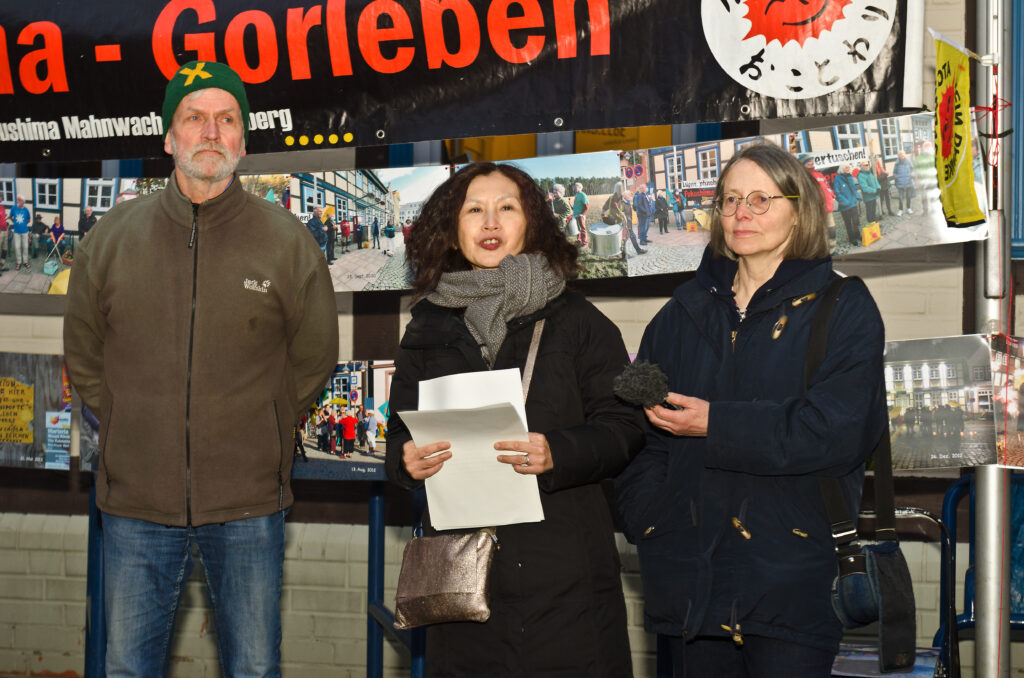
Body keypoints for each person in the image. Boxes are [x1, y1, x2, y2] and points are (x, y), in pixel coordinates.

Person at [63, 60, 339, 678]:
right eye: (194, 118)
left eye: (226, 119)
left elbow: (315, 356)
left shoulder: (287, 242)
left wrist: (258, 424)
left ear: (243, 139)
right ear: (169, 138)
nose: (211, 132)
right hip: (134, 501)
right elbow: (84, 354)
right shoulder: (109, 239)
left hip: (248, 504)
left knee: (253, 668)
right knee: (127, 668)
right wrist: (132, 421)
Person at [614, 143, 886, 678]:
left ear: (800, 208)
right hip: (686, 580)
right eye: (731, 199)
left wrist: (716, 423)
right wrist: (648, 520)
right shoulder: (679, 315)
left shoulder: (843, 307)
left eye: (762, 199)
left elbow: (838, 432)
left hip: (791, 584)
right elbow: (636, 433)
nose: (743, 213)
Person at [386, 161, 645, 677]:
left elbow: (626, 426)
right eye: (474, 210)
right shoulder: (424, 328)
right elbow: (399, 434)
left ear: (531, 224)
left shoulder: (578, 321)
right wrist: (405, 461)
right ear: (451, 227)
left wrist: (559, 452)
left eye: (507, 208)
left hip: (566, 582)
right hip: (465, 583)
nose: (490, 223)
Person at [799, 154, 837, 250]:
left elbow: (827, 186)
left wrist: (831, 194)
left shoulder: (819, 174)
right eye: (808, 161)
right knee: (819, 231)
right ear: (803, 164)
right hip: (815, 209)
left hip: (827, 207)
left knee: (831, 229)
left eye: (811, 160)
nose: (811, 162)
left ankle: (832, 249)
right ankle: (822, 250)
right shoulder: (802, 177)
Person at [602, 182, 645, 255]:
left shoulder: (627, 203)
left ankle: (637, 250)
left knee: (631, 237)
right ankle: (624, 254)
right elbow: (619, 213)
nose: (631, 197)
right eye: (629, 195)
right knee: (624, 239)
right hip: (623, 224)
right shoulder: (621, 202)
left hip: (628, 224)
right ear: (625, 196)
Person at [833, 163, 862, 247]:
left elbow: (854, 189)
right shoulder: (837, 179)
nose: (848, 168)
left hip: (853, 203)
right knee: (848, 223)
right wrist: (845, 202)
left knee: (856, 221)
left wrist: (857, 196)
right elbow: (837, 193)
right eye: (846, 167)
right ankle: (852, 239)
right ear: (842, 168)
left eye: (848, 167)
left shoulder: (850, 176)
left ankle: (857, 235)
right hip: (845, 206)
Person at [892, 150, 916, 216]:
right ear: (898, 156)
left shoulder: (908, 162)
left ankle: (908, 208)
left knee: (908, 196)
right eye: (900, 154)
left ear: (905, 155)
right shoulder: (896, 163)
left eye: (902, 154)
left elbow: (913, 170)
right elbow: (894, 173)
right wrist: (898, 178)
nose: (901, 156)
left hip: (908, 182)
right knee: (900, 197)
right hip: (900, 184)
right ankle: (900, 209)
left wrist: (911, 175)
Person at [10, 195, 30, 270]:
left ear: (22, 202)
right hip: (16, 232)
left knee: (25, 247)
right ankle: (19, 262)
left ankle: (25, 261)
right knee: (17, 247)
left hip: (25, 231)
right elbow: (11, 216)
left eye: (18, 200)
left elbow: (28, 220)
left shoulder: (26, 210)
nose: (17, 201)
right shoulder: (13, 208)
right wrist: (15, 223)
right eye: (17, 200)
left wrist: (23, 224)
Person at [571, 181, 589, 247]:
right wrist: (572, 206)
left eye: (576, 187)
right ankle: (579, 241)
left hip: (580, 215)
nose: (574, 188)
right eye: (574, 187)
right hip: (575, 214)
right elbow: (576, 205)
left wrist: (582, 214)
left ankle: (585, 244)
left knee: (582, 229)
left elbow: (587, 206)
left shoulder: (583, 195)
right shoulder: (576, 195)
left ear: (580, 188)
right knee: (577, 229)